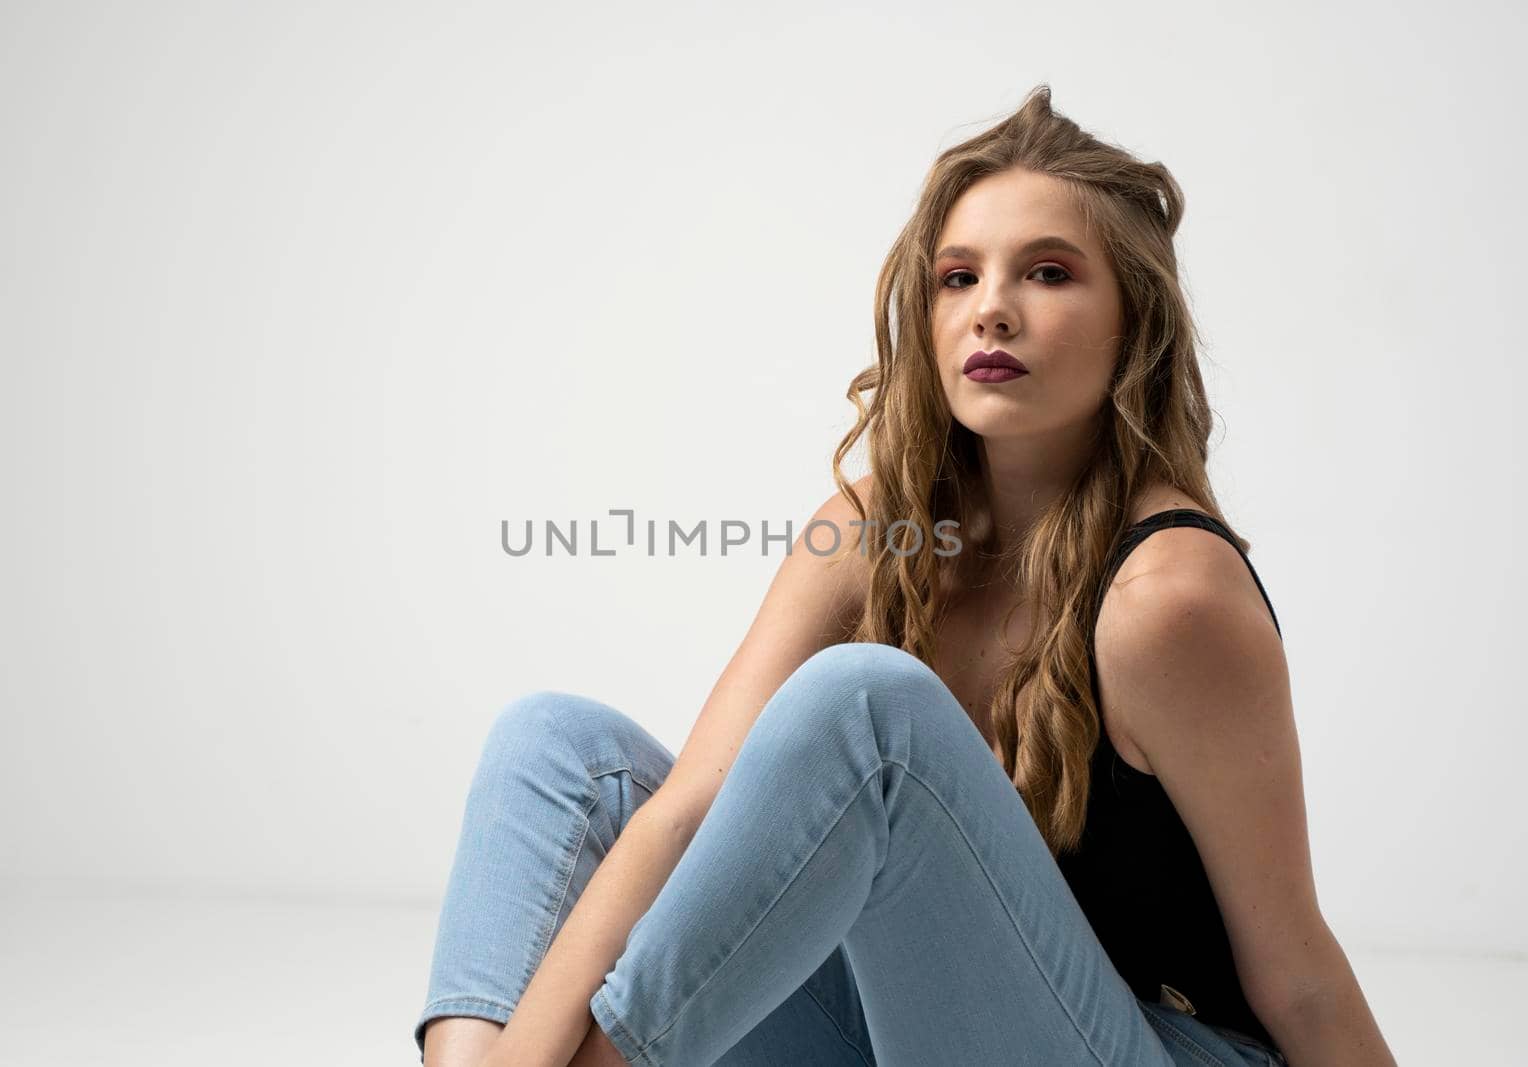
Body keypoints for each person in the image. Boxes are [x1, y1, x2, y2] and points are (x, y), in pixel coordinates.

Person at [415, 84, 1397, 1066]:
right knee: (559, 747)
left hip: (1155, 1046)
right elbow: (690, 810)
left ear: (1132, 322)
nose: (993, 311)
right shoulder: (870, 530)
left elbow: (1296, 975)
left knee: (870, 705)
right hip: (924, 1035)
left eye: (1048, 273)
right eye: (957, 278)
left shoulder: (1165, 600)